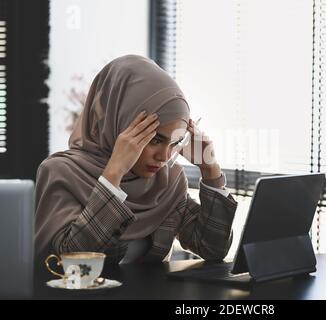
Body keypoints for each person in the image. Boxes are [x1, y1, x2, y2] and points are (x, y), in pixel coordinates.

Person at [34, 55, 237, 264]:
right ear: (118, 123)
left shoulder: (167, 181)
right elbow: (68, 262)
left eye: (174, 143)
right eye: (154, 139)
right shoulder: (61, 172)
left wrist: (210, 169)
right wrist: (114, 173)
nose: (164, 157)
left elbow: (212, 249)